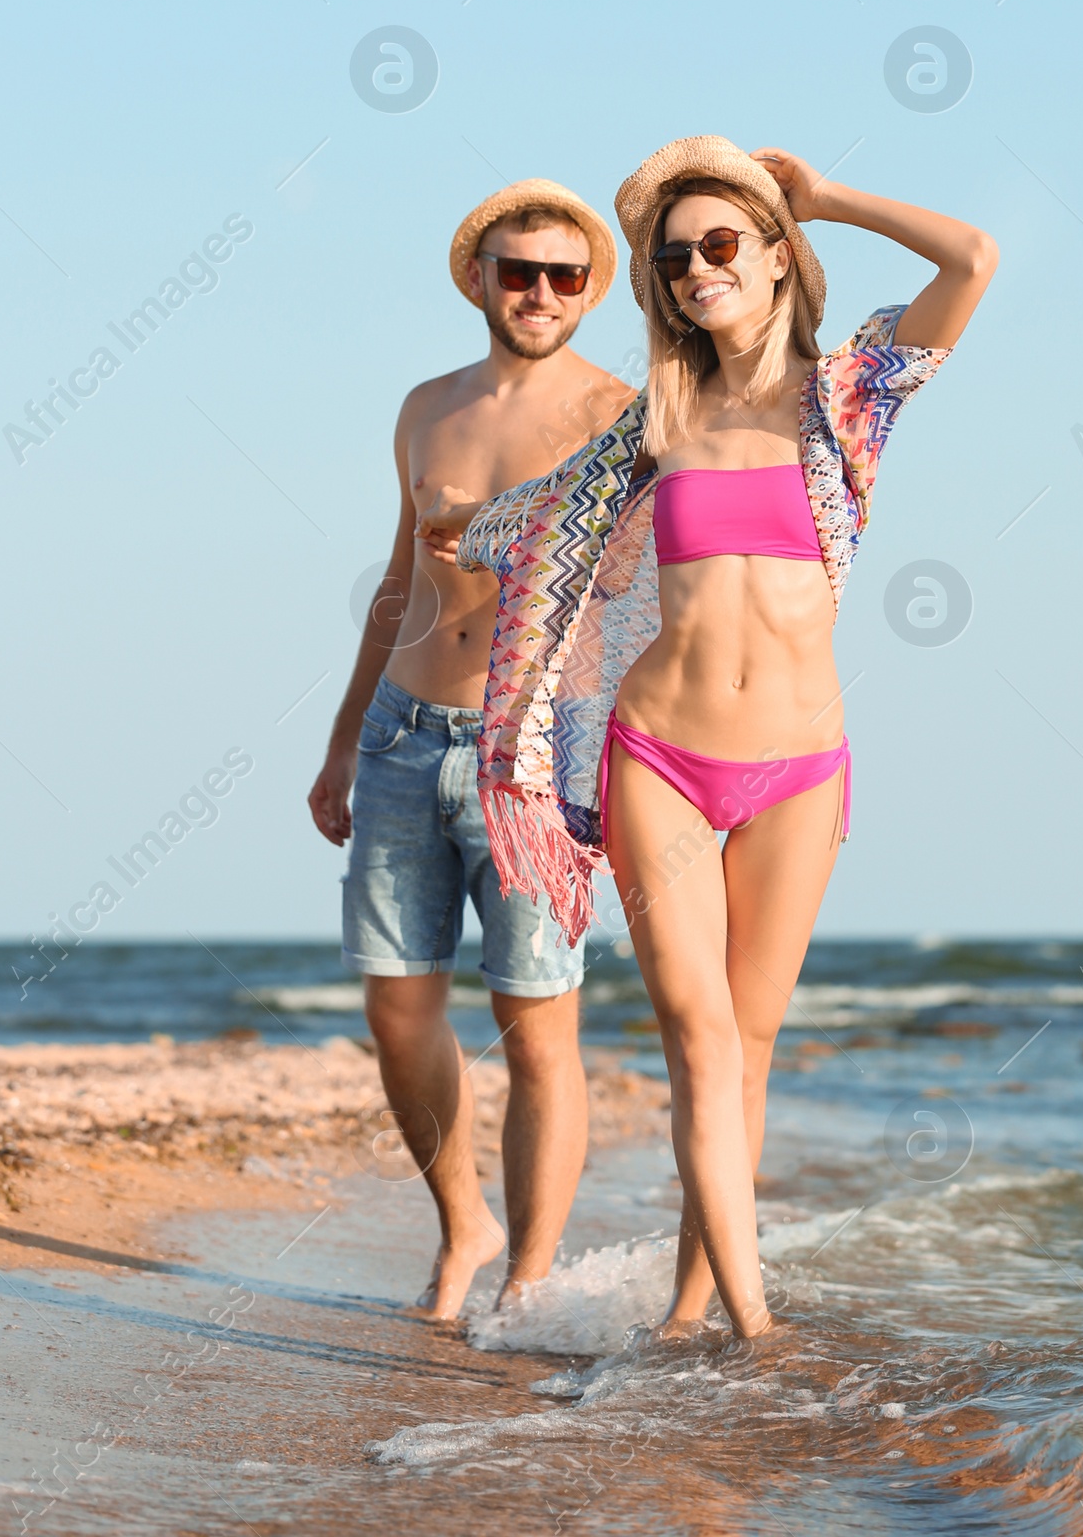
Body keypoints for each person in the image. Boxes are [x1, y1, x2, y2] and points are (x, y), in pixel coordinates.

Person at [421, 136, 996, 1340]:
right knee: (697, 1039)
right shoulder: (658, 415)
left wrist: (828, 196)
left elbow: (972, 257)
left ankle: (685, 1312)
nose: (696, 271)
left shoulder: (851, 394)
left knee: (751, 1050)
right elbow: (549, 519)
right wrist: (476, 527)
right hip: (661, 754)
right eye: (675, 258)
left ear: (781, 260)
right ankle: (756, 1328)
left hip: (799, 765)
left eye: (721, 245)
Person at [308, 179, 632, 1318]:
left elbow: (633, 596)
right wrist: (345, 738)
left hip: (530, 754)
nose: (539, 292)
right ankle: (465, 1224)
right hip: (404, 729)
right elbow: (398, 582)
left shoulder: (620, 413)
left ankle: (530, 1282)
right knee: (396, 1007)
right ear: (480, 279)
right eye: (518, 271)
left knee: (535, 1021)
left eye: (564, 275)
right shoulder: (424, 408)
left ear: (592, 291)